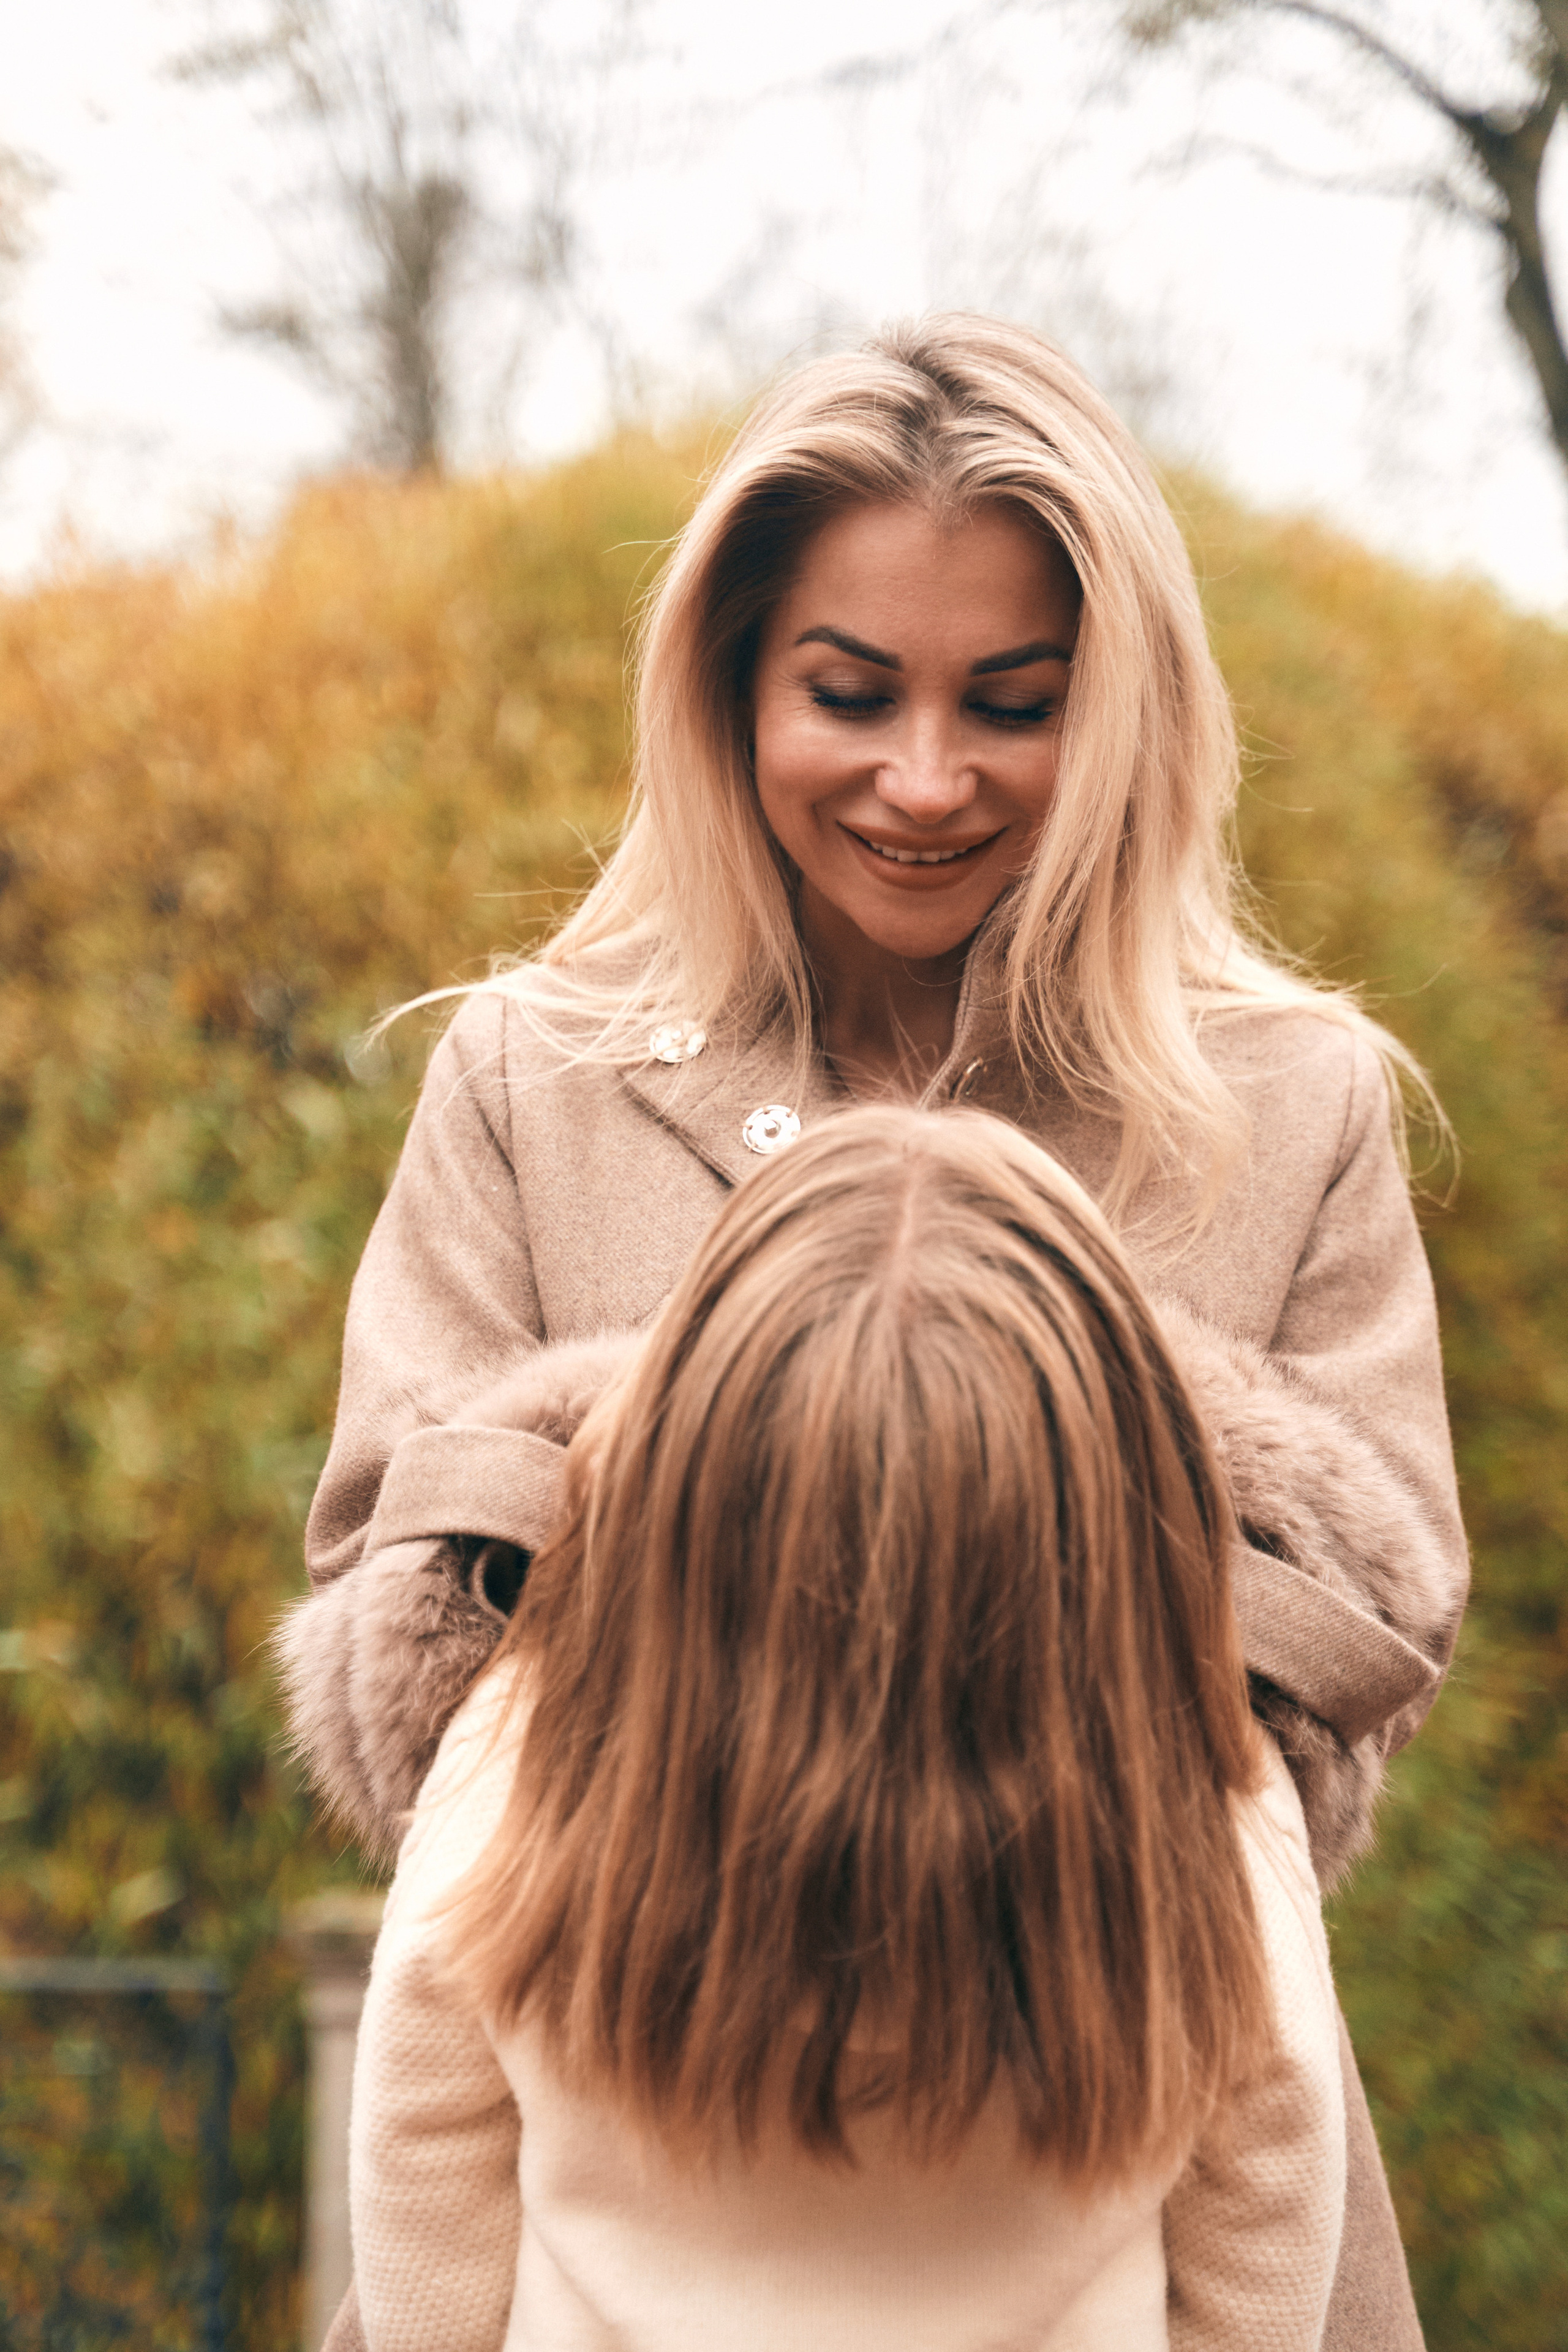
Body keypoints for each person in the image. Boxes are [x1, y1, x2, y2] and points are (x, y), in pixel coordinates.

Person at [280, 314, 1467, 2350]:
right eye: (851, 692)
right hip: (618, 2191)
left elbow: (1358, 1657)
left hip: (1148, 2178)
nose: (928, 781)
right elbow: (401, 1640)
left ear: (1127, 710)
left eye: (1013, 703)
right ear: (733, 681)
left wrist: (944, 1415)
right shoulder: (530, 1076)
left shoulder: (1293, 1100)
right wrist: (837, 1411)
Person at [348, 1106, 1346, 2352]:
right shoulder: (1204, 1784)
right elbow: (1271, 2177)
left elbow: (422, 2134)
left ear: (676, 1448)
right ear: (1121, 1484)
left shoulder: (530, 1737)